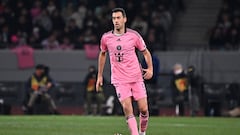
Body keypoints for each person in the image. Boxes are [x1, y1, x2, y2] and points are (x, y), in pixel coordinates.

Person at [96, 8, 153, 135]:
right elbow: (102, 54)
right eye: (114, 18)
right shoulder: (106, 38)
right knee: (128, 108)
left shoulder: (134, 36)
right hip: (119, 80)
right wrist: (99, 75)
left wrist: (150, 69)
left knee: (144, 109)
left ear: (125, 19)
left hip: (136, 77)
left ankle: (142, 133)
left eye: (118, 18)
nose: (116, 21)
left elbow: (146, 52)